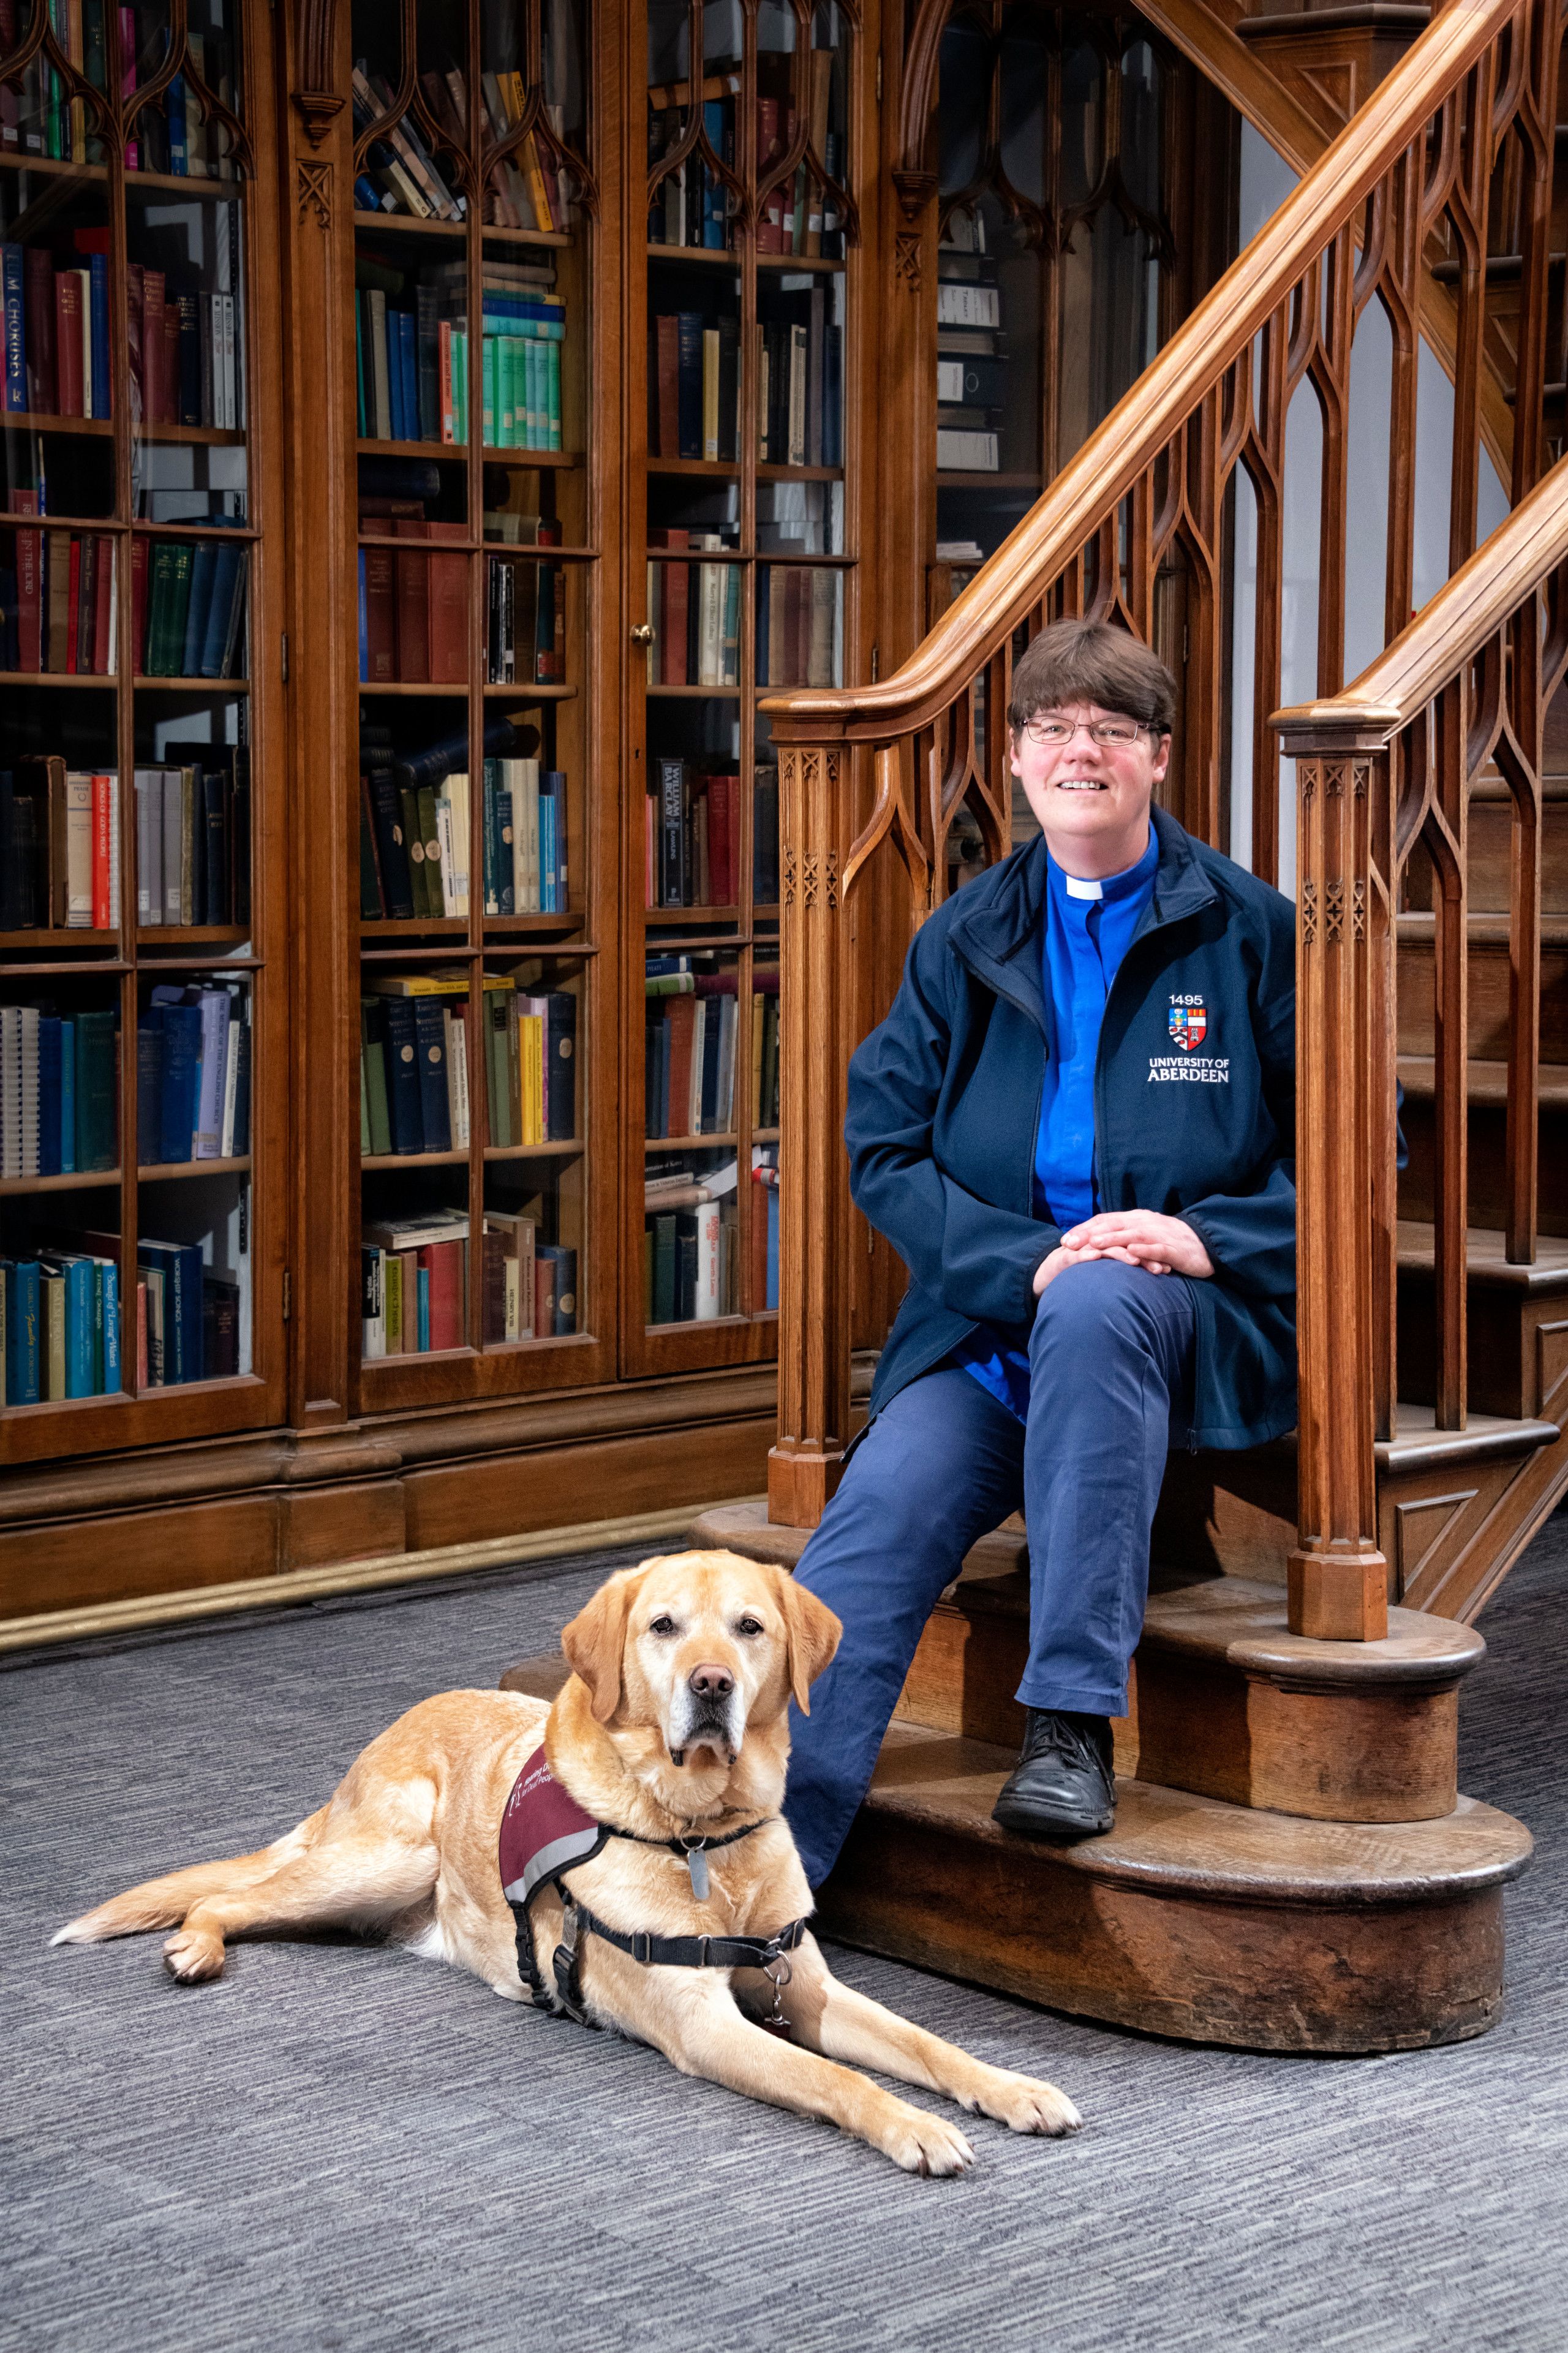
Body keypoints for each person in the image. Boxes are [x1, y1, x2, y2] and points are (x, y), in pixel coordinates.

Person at [782, 619, 1297, 1887]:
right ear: (1015, 758)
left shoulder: (1251, 931)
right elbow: (882, 1147)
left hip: (1172, 1318)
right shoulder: (960, 937)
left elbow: (1356, 1155)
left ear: (1159, 758)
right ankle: (767, 1850)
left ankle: (1068, 1722)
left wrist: (1198, 1234)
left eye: (1112, 730)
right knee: (877, 1517)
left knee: (1103, 1298)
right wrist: (1022, 1262)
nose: (1083, 751)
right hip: (987, 1322)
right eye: (1056, 728)